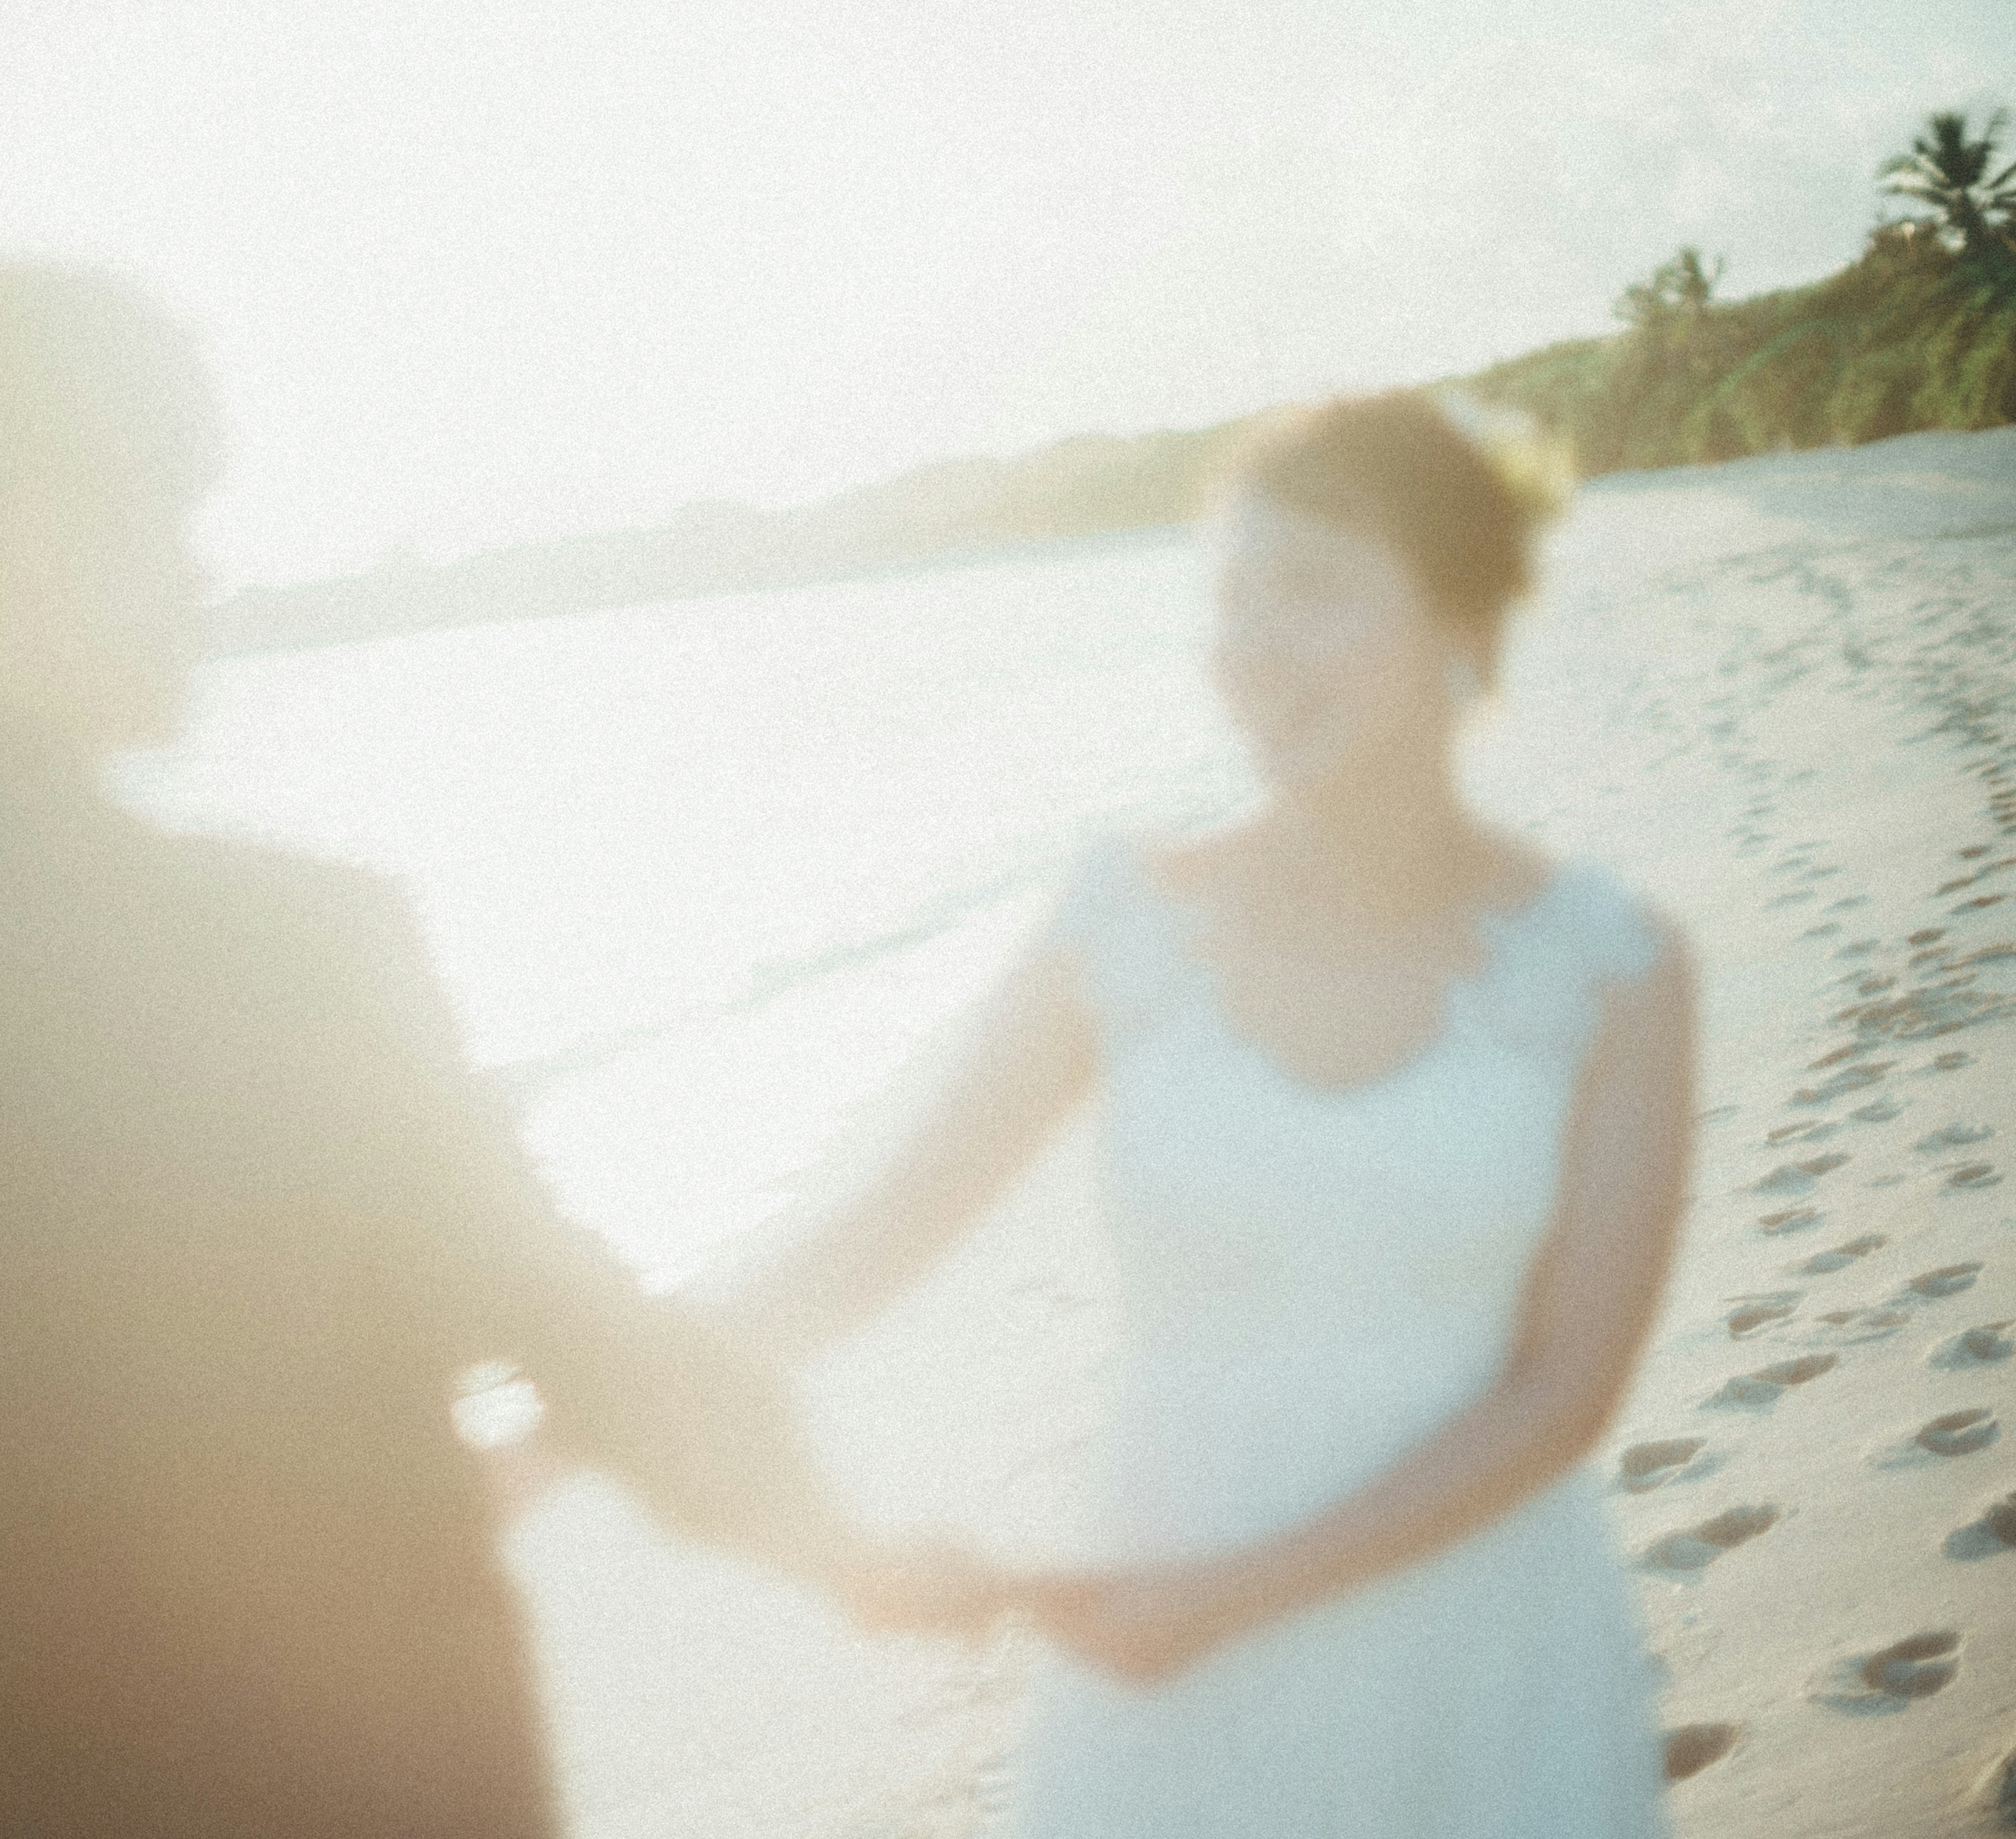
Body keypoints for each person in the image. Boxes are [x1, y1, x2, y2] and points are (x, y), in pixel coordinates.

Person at [0, 262, 889, 1839]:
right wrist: (875, 1562)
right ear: (41, 522)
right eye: (170, 519)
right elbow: (588, 1341)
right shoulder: (284, 948)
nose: (201, 584)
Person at [704, 392, 1693, 1835]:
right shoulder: (1121, 929)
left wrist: (1232, 1590)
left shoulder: (1612, 969)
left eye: (1310, 591)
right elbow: (879, 1226)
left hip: (1482, 1652)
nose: (1250, 652)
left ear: (1455, 617)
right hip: (1168, 1670)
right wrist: (585, 1399)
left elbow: (1565, 1394)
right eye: (1233, 600)